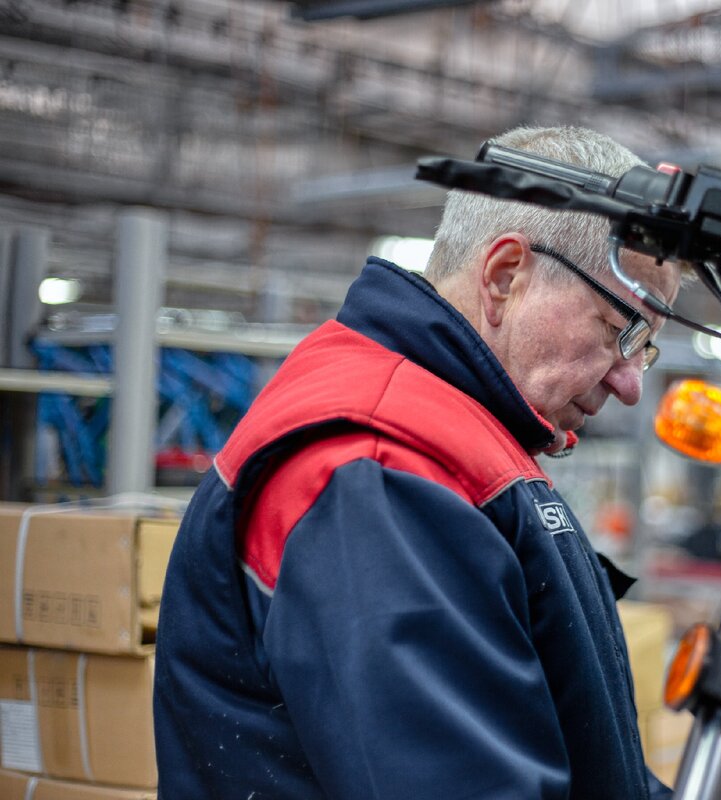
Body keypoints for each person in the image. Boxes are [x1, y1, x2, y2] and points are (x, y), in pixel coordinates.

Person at [152, 125, 683, 799]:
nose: (630, 382)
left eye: (646, 349)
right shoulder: (380, 467)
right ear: (504, 276)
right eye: (619, 331)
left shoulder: (457, 438)